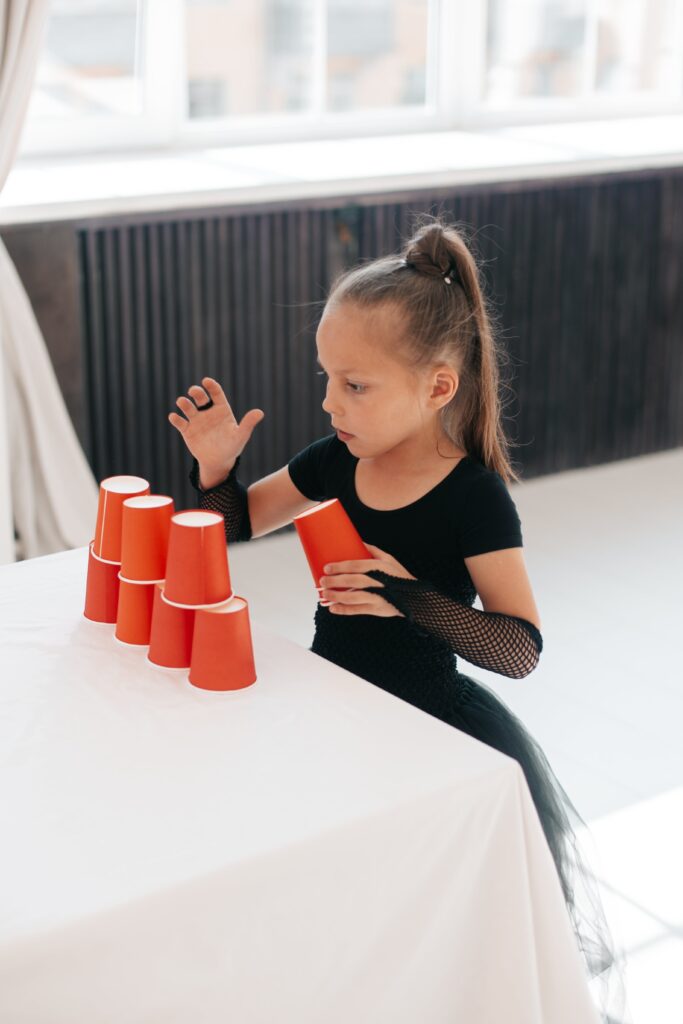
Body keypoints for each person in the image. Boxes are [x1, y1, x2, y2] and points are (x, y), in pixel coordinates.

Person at [169, 217, 627, 1022]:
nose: (327, 400)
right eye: (326, 377)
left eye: (354, 384)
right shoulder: (336, 458)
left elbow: (518, 648)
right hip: (332, 705)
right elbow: (237, 522)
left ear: (438, 387)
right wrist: (216, 472)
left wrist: (405, 592)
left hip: (425, 725)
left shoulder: (472, 497)